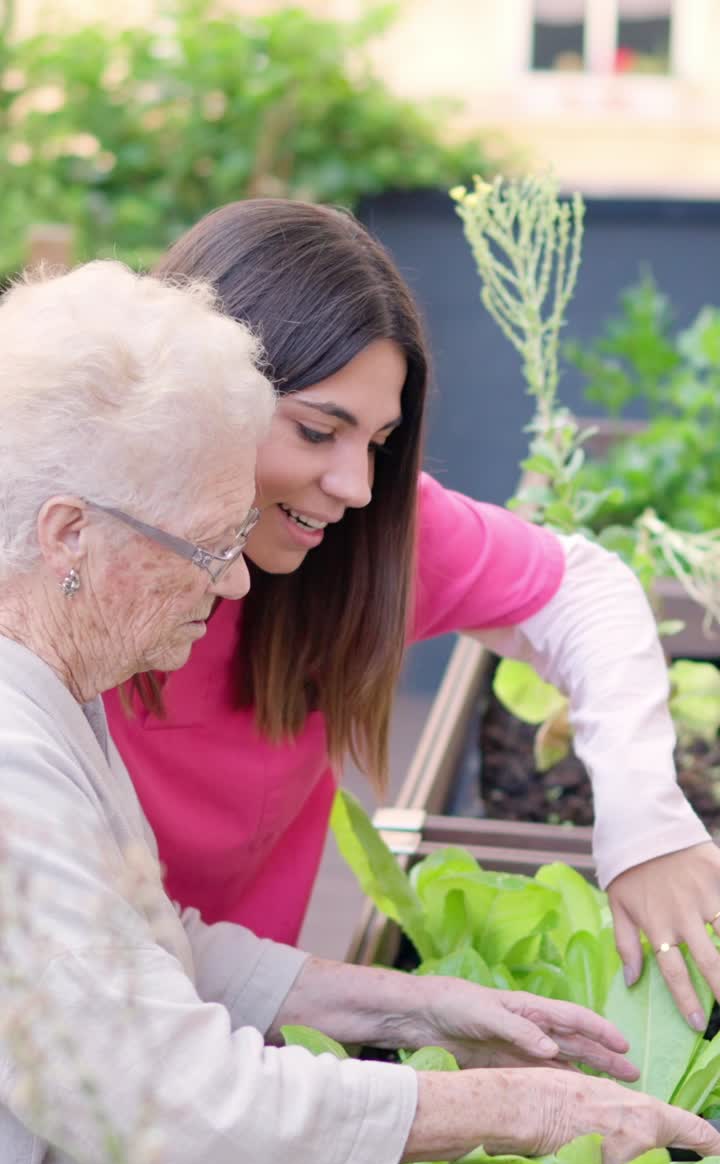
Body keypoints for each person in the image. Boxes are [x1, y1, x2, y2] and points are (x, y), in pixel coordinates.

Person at [1, 263, 718, 1164]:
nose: (238, 576)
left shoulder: (56, 678)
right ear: (69, 533)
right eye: (207, 546)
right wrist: (531, 1108)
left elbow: (132, 952)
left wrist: (410, 1009)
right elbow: (180, 1102)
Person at [103, 199, 720, 1030]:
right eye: (319, 431)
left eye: (379, 443)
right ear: (194, 397)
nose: (356, 486)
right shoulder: (58, 584)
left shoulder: (355, 543)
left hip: (238, 1040)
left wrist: (646, 823)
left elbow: (588, 591)